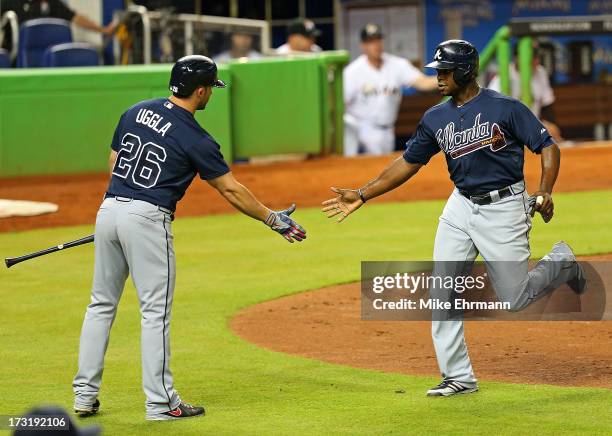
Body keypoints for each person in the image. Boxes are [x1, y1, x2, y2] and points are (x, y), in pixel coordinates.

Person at [322, 40, 586, 397]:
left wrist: (545, 190)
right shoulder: (435, 117)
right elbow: (407, 162)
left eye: (444, 71)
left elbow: (547, 147)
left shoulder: (504, 108)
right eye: (437, 71)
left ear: (464, 71)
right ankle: (458, 376)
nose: (439, 77)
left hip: (505, 208)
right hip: (459, 207)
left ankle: (561, 261)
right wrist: (364, 192)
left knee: (515, 298)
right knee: (442, 290)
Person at [72, 55, 306, 421]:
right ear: (200, 91)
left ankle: (84, 396)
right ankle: (161, 403)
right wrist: (271, 218)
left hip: (110, 209)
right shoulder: (197, 138)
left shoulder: (135, 111)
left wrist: (120, 209)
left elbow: (115, 160)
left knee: (100, 304)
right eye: (211, 87)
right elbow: (229, 189)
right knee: (155, 314)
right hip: (147, 219)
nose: (211, 92)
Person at [343, 24, 438, 156]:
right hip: (362, 130)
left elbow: (423, 83)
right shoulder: (352, 72)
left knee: (384, 171)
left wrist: (449, 78)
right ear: (363, 46)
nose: (376, 44)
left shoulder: (397, 65)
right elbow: (341, 104)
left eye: (378, 39)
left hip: (387, 130)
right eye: (371, 41)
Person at [488, 42, 562, 142]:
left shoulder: (540, 72)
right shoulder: (505, 75)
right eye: (532, 57)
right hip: (507, 129)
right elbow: (490, 108)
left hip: (533, 128)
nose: (536, 61)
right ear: (517, 58)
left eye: (537, 57)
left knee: (553, 133)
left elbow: (547, 107)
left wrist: (550, 125)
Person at [1, 0, 116, 52]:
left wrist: (103, 30)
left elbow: (77, 18)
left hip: (47, 58)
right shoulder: (9, 2)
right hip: (14, 57)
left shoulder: (53, 3)